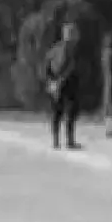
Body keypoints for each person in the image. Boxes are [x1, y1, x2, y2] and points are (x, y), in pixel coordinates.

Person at [45, 22, 81, 150]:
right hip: (66, 83)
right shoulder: (69, 50)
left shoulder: (55, 48)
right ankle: (69, 140)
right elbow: (67, 66)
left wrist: (50, 80)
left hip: (57, 82)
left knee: (57, 112)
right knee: (69, 111)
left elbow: (47, 64)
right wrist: (58, 80)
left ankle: (56, 140)